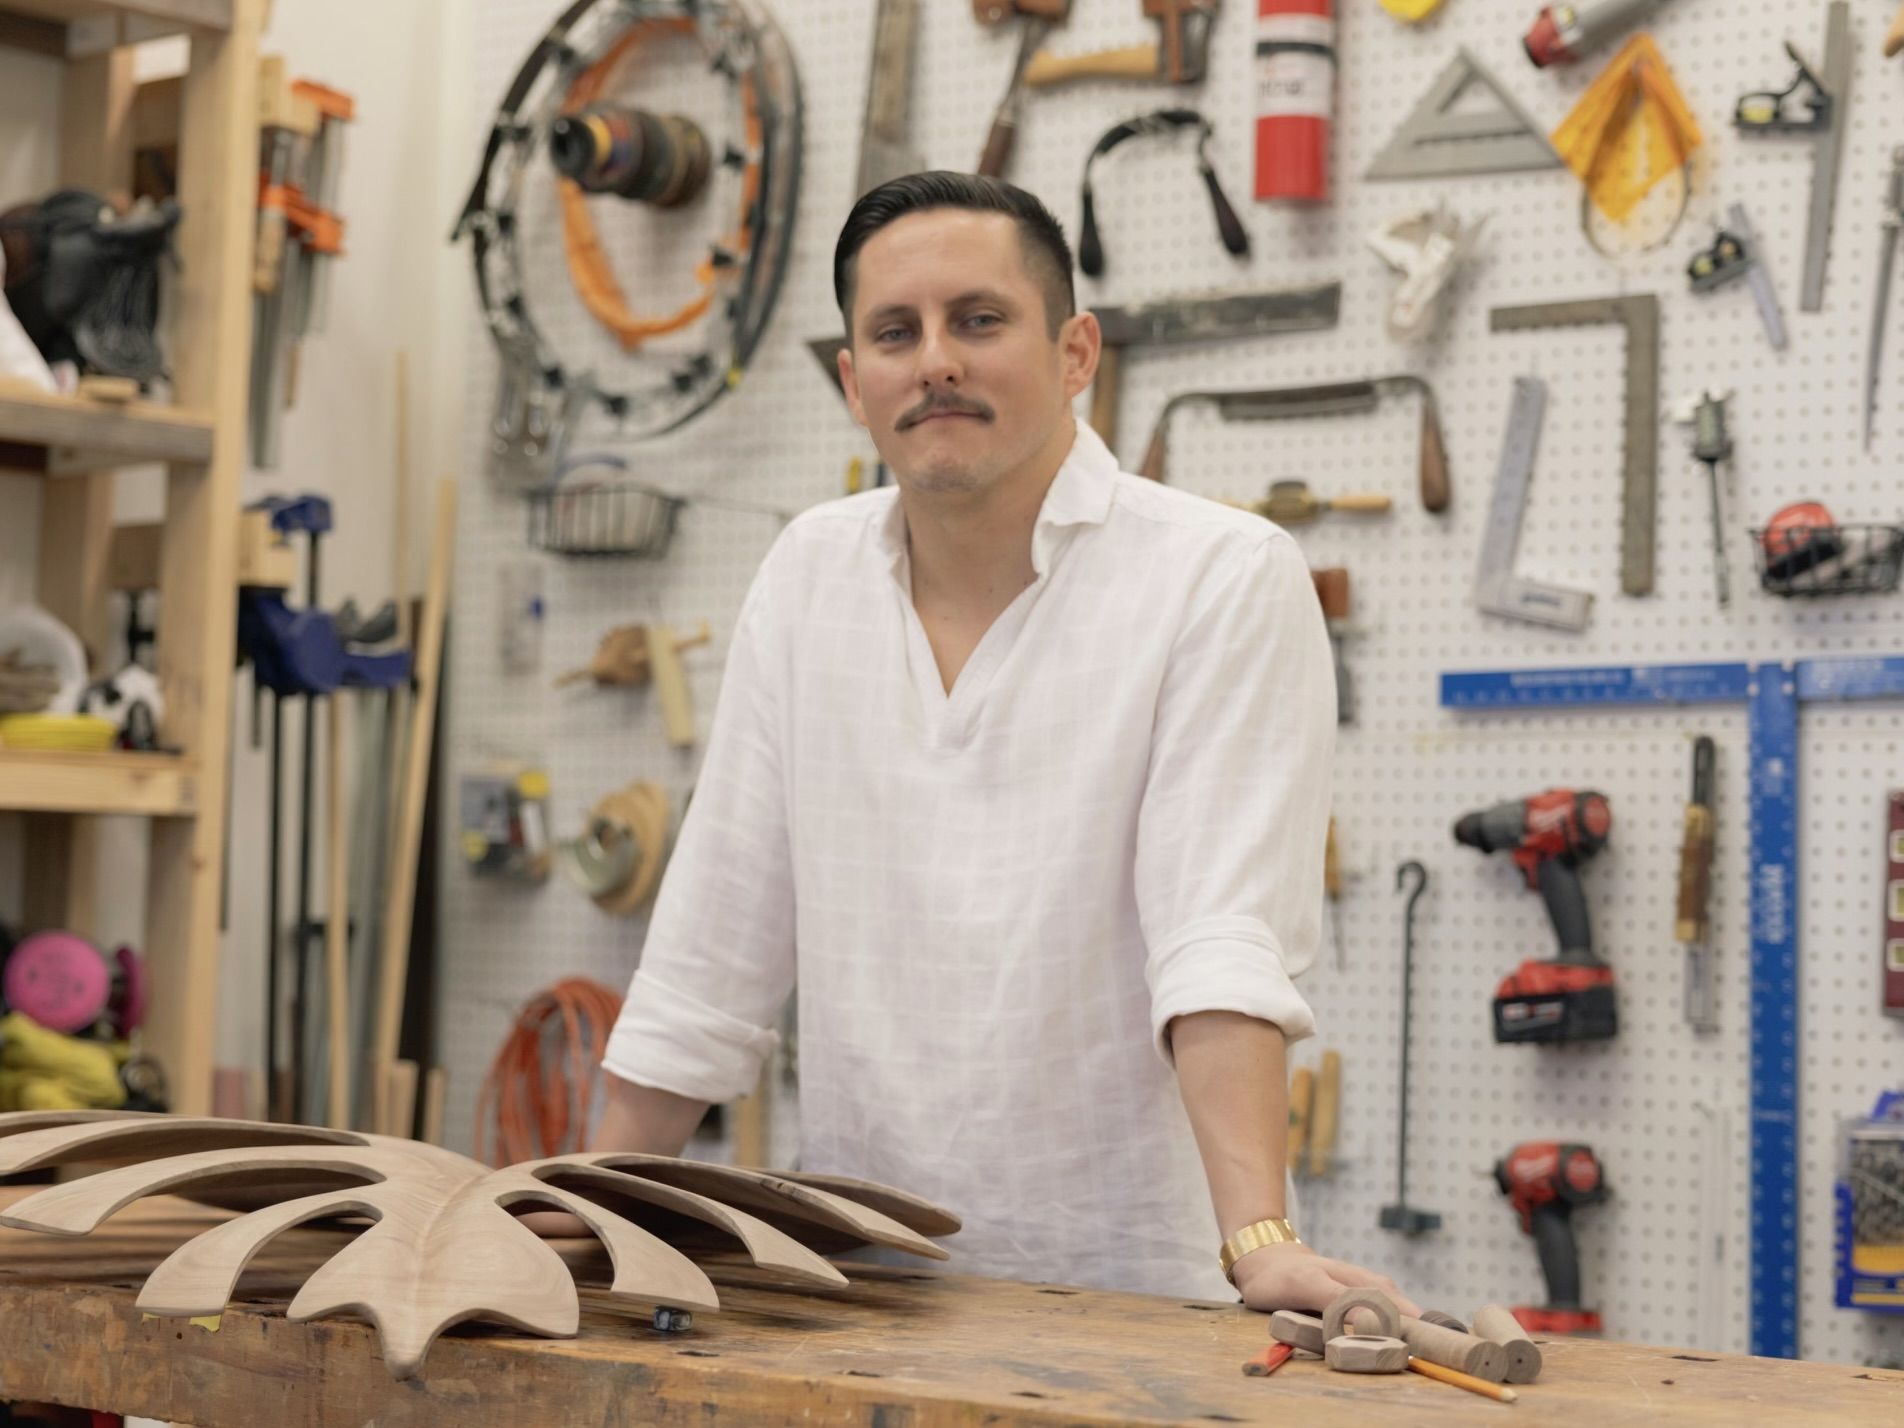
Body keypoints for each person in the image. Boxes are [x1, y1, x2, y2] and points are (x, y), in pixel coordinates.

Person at [581, 171, 1415, 1315]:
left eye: (977, 321)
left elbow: (1218, 938)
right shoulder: (806, 574)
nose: (934, 361)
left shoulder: (1218, 576)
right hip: (858, 1287)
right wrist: (587, 1205)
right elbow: (710, 949)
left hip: (1131, 1299)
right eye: (894, 332)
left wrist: (1258, 1238)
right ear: (851, 382)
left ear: (1076, 353)